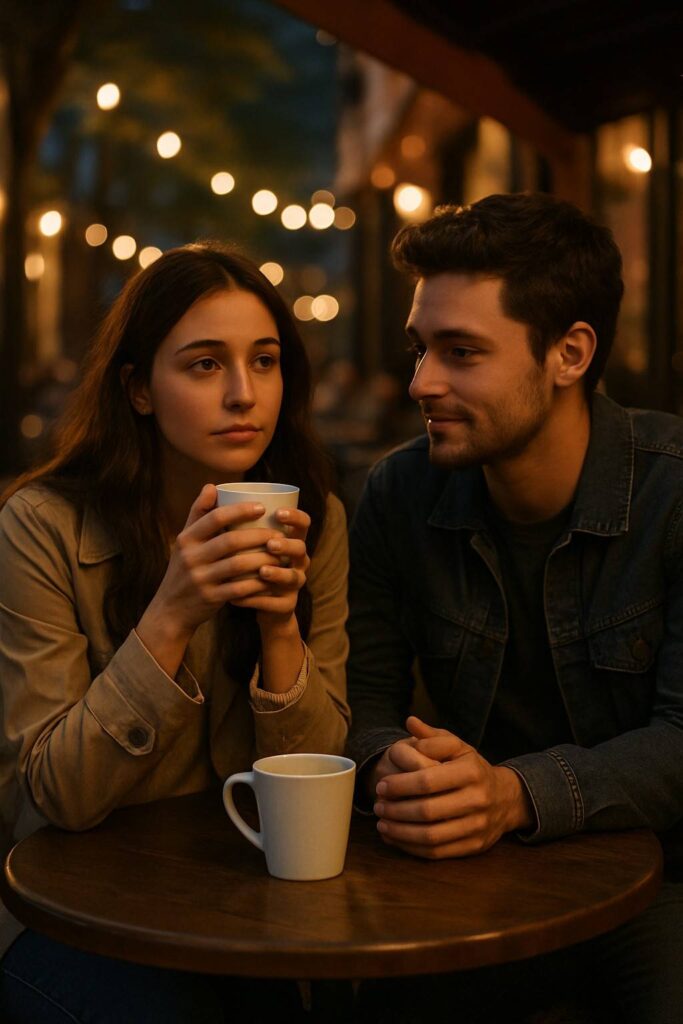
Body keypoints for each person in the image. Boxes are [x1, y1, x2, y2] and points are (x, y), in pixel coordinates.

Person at [347, 192, 683, 1023]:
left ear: (568, 354)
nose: (422, 382)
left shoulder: (673, 492)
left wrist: (511, 794)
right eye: (420, 348)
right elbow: (356, 701)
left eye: (462, 352)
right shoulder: (401, 491)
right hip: (465, 872)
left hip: (659, 877)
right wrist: (398, 767)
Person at [0, 242, 350, 1023]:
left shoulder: (313, 523)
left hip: (240, 904)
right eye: (202, 365)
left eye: (264, 361)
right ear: (138, 390)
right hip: (71, 912)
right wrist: (171, 612)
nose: (241, 394)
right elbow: (54, 797)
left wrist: (279, 628)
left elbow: (317, 781)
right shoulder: (41, 527)